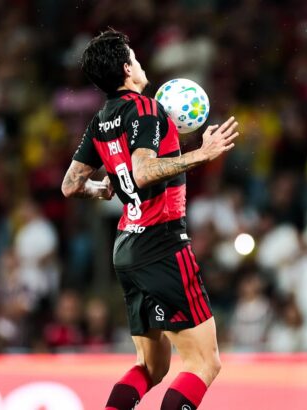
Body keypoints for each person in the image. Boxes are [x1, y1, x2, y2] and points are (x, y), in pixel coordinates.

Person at [62, 29, 238, 410]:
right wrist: (201, 154)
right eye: (136, 59)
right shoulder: (145, 108)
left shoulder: (101, 119)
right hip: (162, 243)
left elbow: (71, 185)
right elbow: (142, 171)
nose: (141, 65)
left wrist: (103, 189)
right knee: (204, 362)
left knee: (152, 366)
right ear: (127, 68)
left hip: (127, 246)